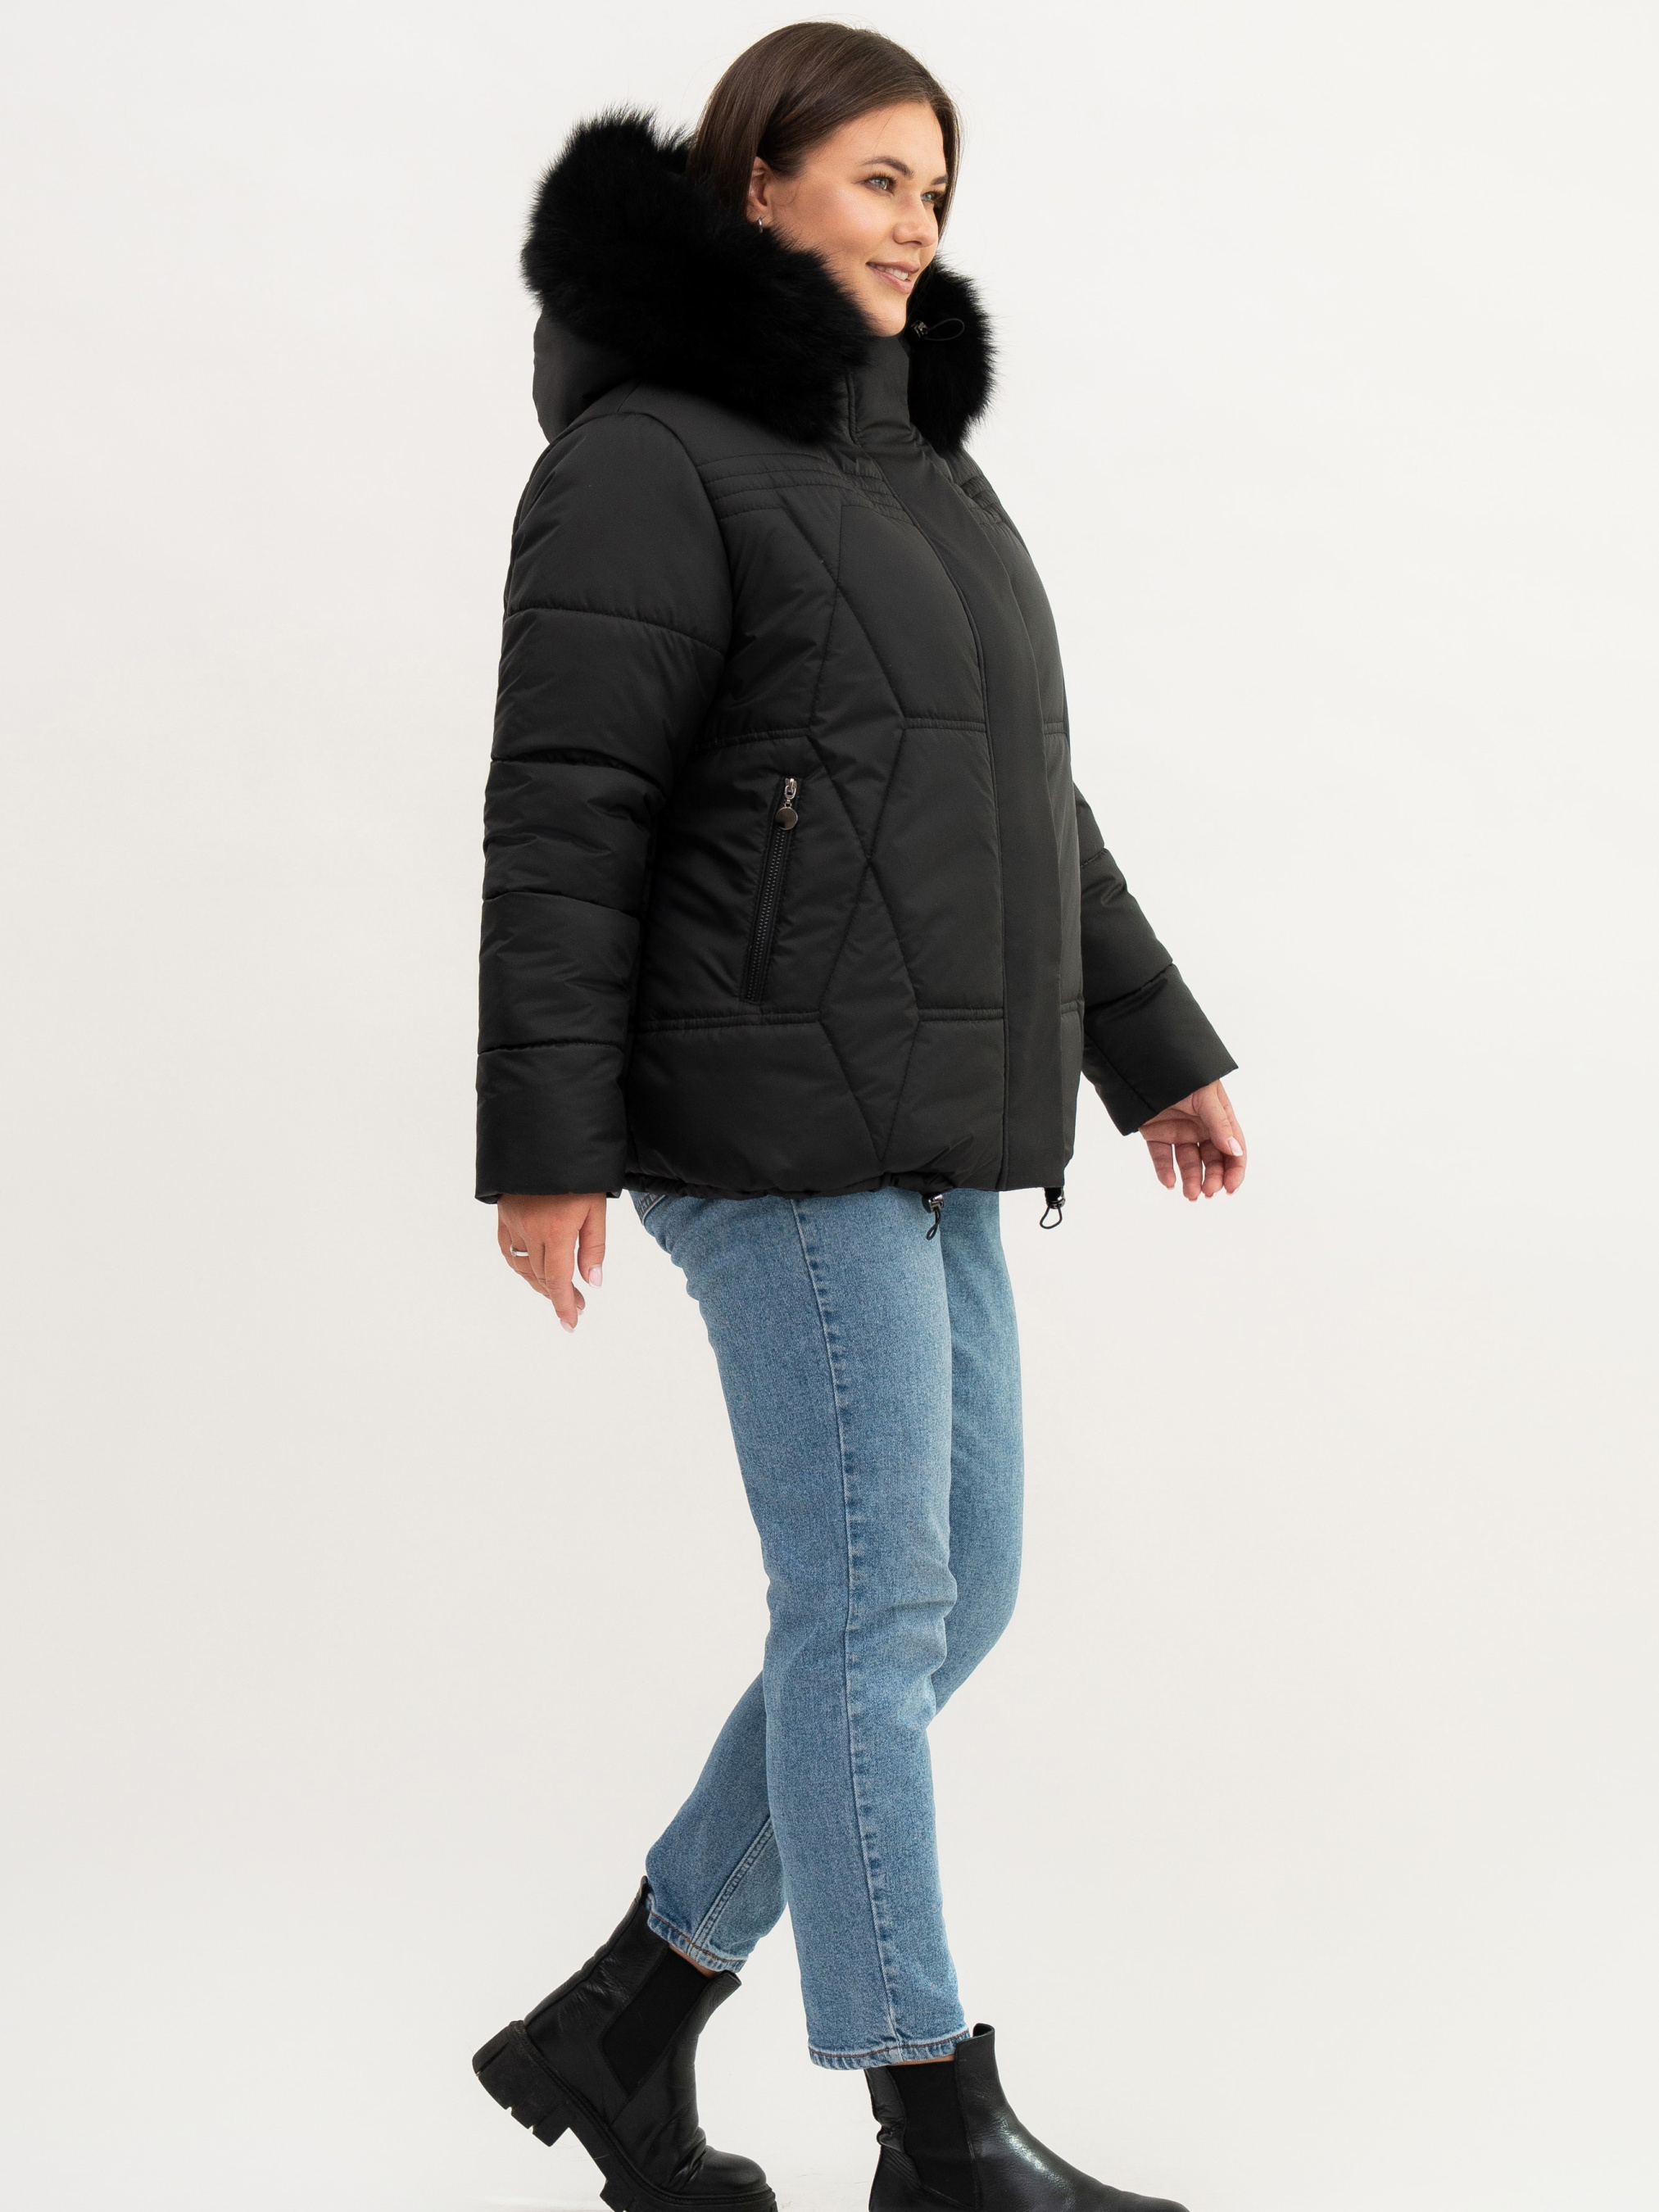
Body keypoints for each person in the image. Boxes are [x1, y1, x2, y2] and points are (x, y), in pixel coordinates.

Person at [469, 25, 1244, 2212]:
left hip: (931, 1117)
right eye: (880, 180)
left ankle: (626, 2014)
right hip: (767, 1120)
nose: (918, 225)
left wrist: (1155, 1047)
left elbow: (1020, 800)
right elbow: (567, 814)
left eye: (938, 192)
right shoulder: (647, 458)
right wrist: (546, 1141)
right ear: (759, 187)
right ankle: (934, 2125)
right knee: (871, 1610)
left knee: (943, 1596)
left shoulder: (920, 472)